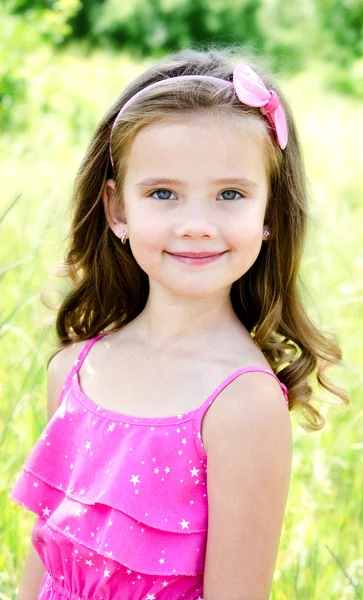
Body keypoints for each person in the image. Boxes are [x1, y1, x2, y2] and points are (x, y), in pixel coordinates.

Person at [9, 46, 348, 600]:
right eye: (163, 193)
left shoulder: (242, 404)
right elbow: (47, 558)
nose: (195, 225)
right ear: (118, 210)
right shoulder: (75, 369)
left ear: (268, 214)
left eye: (230, 195)